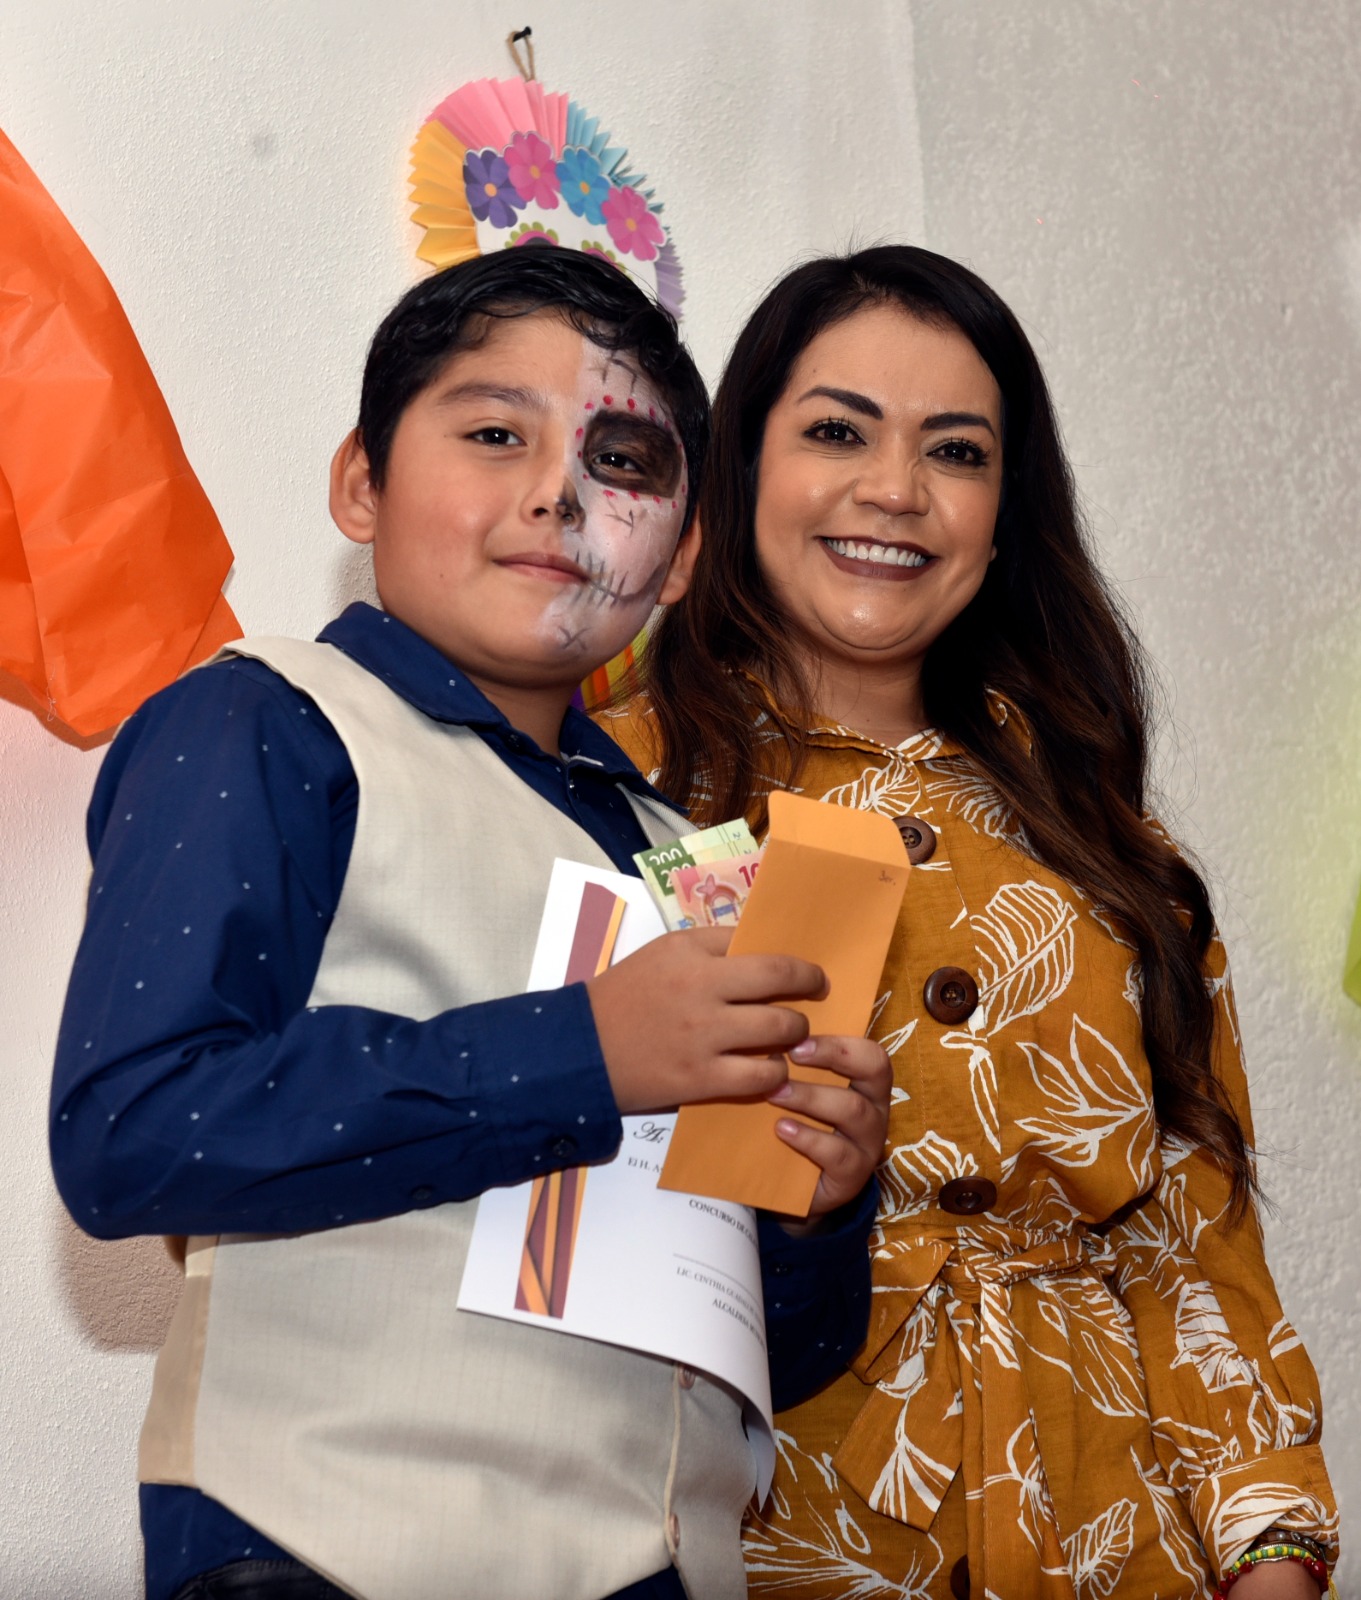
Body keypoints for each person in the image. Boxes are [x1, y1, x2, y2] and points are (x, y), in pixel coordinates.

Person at [50, 246, 893, 1600]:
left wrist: (818, 1205)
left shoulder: (698, 859)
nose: (559, 492)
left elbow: (769, 1362)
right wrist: (585, 1053)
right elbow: (133, 1130)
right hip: (325, 1552)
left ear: (679, 556)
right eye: (496, 434)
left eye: (622, 461)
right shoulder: (264, 721)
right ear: (361, 483)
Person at [602, 246, 1338, 1600]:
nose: (896, 489)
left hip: (1122, 1541)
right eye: (837, 432)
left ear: (1004, 517)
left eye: (955, 451)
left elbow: (1196, 1251)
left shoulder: (1111, 849)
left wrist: (1272, 1553)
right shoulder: (620, 797)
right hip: (779, 1531)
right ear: (738, 470)